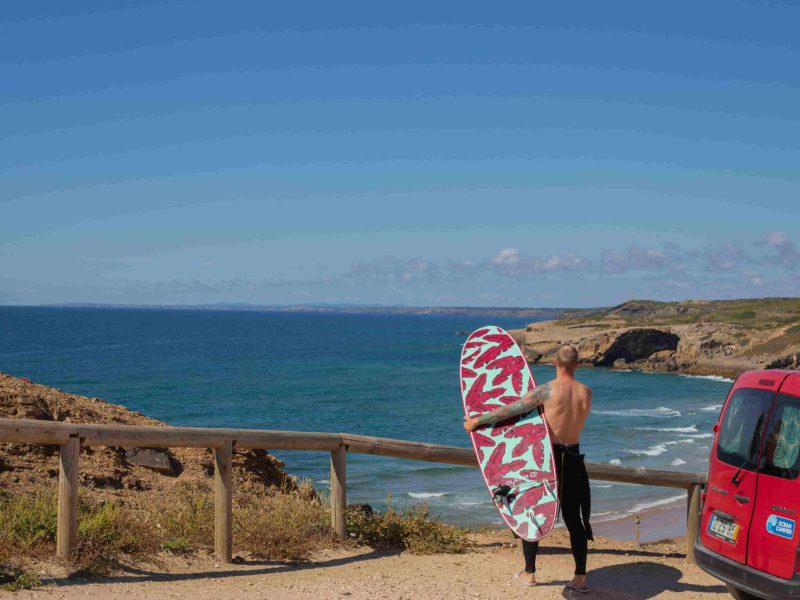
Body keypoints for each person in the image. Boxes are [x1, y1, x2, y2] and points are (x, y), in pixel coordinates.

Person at [464, 344, 593, 593]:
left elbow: (509, 410)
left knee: (531, 509)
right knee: (574, 520)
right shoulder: (586, 392)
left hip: (549, 458)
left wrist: (476, 421)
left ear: (555, 362)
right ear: (577, 364)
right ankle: (580, 579)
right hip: (574, 457)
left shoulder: (545, 391)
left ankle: (530, 573)